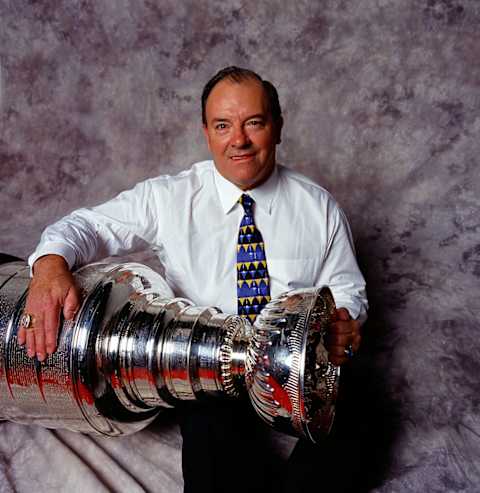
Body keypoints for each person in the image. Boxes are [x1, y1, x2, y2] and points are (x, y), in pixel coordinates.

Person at [21, 66, 368, 492]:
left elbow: (346, 287)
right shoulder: (169, 197)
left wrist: (345, 321)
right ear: (206, 133)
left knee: (358, 424)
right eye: (223, 125)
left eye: (253, 123)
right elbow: (85, 228)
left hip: (293, 368)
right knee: (212, 447)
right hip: (207, 370)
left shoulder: (318, 207)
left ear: (277, 127)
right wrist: (51, 266)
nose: (237, 140)